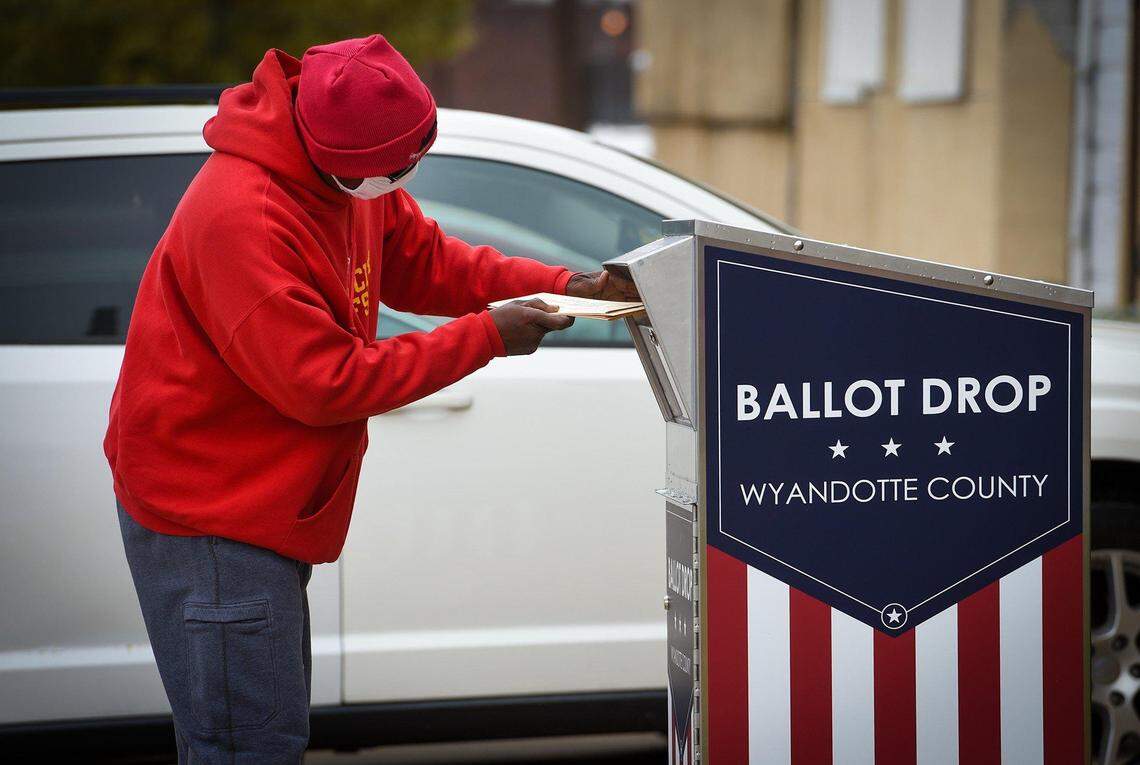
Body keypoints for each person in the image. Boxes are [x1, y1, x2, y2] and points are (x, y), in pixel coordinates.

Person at [104, 34, 638, 762]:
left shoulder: (345, 170)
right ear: (333, 157)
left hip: (260, 505)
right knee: (246, 746)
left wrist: (562, 284)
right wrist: (485, 337)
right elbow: (327, 383)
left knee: (261, 734)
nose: (403, 179)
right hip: (213, 518)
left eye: (414, 161)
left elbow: (423, 260)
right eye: (392, 170)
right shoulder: (244, 216)